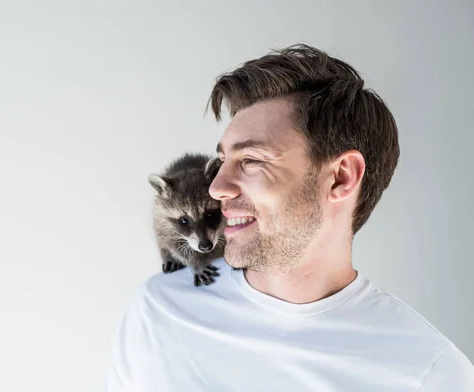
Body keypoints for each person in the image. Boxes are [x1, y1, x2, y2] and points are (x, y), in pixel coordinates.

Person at [104, 44, 474, 391]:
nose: (217, 188)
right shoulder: (158, 310)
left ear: (341, 177)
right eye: (222, 162)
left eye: (250, 161)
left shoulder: (429, 374)